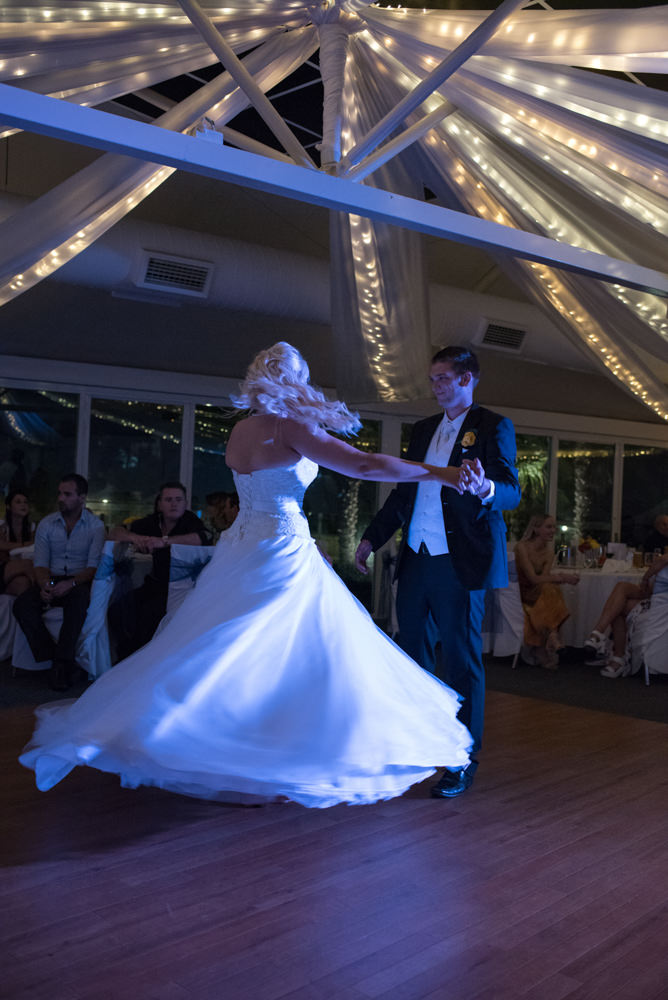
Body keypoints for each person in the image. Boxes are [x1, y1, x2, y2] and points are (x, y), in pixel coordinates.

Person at [20, 343, 474, 807]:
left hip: (242, 548)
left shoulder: (241, 431)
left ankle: (205, 737)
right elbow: (364, 465)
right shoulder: (291, 428)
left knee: (232, 649)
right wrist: (442, 472)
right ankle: (269, 748)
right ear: (293, 380)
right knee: (286, 652)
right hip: (281, 550)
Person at [355, 346, 521, 798]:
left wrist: (484, 486)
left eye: (444, 378)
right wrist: (373, 537)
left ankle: (460, 758)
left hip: (459, 561)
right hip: (417, 556)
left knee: (461, 661)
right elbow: (403, 493)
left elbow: (510, 491)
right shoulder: (423, 429)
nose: (436, 387)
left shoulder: (492, 426)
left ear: (468, 378)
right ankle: (417, 742)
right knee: (412, 656)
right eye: (433, 380)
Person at [12, 474, 105, 691]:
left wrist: (70, 584)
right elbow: (41, 563)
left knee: (79, 601)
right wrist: (46, 585)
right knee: (22, 605)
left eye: (67, 494)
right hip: (52, 578)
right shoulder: (47, 524)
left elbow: (92, 567)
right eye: (59, 493)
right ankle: (54, 658)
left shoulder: (95, 527)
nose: (61, 498)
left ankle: (62, 664)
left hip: (78, 580)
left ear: (82, 498)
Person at [107, 482, 211, 659]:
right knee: (117, 609)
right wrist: (135, 537)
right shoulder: (153, 522)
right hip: (155, 583)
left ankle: (143, 661)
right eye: (168, 500)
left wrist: (163, 541)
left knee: (149, 613)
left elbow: (203, 537)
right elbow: (114, 533)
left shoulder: (190, 521)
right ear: (160, 504)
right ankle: (125, 659)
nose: (174, 504)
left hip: (182, 588)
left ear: (185, 503)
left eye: (178, 499)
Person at [584, 551, 668, 678]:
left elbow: (662, 560)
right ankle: (599, 636)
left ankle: (614, 652)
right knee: (621, 588)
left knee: (619, 606)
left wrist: (645, 578)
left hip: (662, 609)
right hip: (659, 600)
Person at [514, 514, 579, 669]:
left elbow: (543, 578)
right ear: (536, 529)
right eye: (548, 527)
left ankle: (551, 636)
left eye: (553, 527)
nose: (553, 531)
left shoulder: (549, 551)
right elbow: (533, 579)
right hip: (521, 592)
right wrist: (562, 577)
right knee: (552, 587)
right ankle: (551, 638)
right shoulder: (522, 547)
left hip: (538, 593)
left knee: (550, 588)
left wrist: (558, 578)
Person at [0, 490, 36, 596]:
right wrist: (24, 545)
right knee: (27, 564)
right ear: (9, 507)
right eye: (18, 502)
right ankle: (43, 590)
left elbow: (34, 545)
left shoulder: (31, 527)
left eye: (25, 502)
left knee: (23, 583)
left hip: (18, 570)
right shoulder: (2, 526)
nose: (23, 505)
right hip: (3, 567)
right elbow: (1, 546)